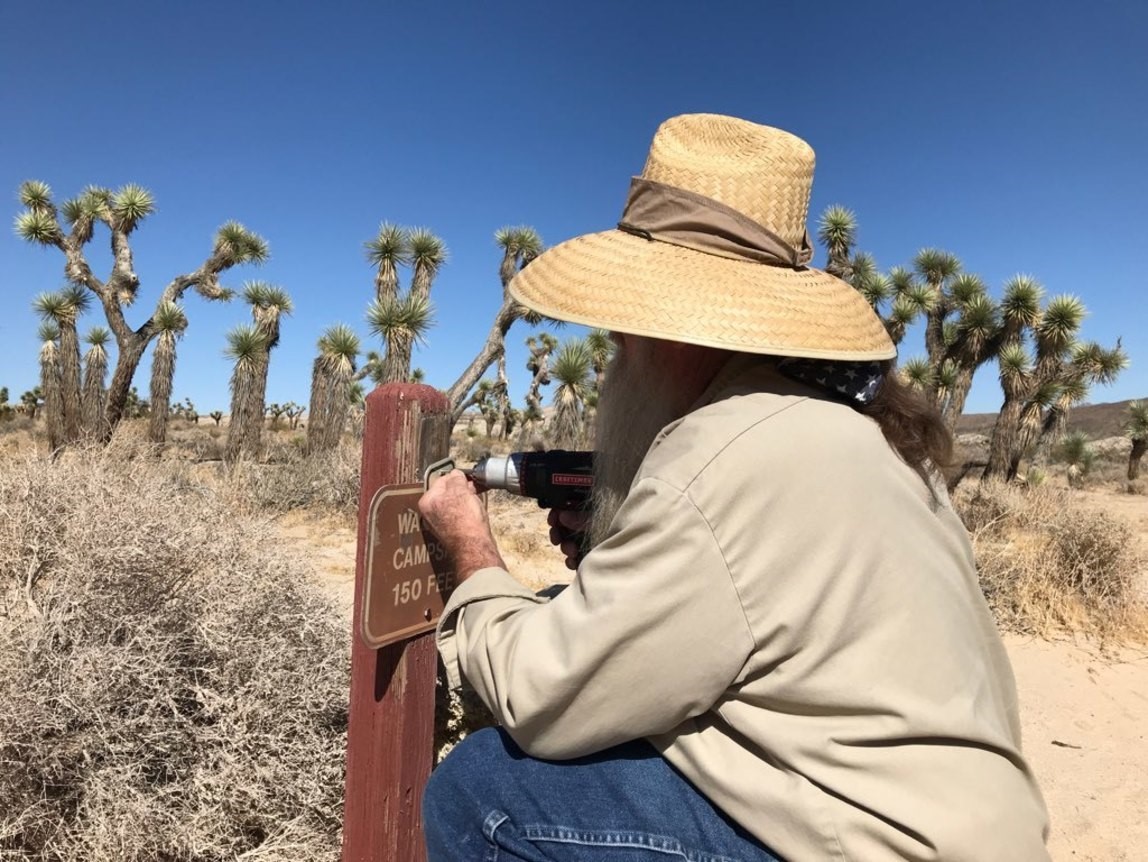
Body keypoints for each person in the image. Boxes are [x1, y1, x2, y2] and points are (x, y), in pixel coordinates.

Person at [417, 113, 1050, 861]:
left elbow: (543, 697)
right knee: (560, 614)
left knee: (486, 794)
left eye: (624, 326)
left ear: (676, 326)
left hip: (883, 845)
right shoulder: (859, 430)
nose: (616, 348)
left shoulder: (722, 450)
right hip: (966, 831)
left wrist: (471, 555)